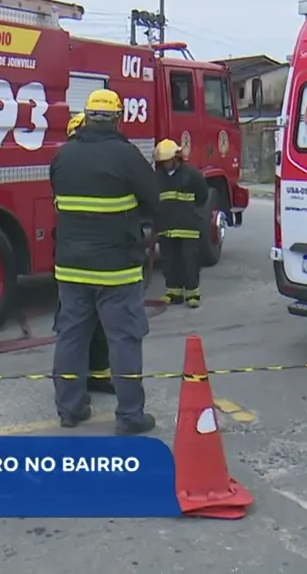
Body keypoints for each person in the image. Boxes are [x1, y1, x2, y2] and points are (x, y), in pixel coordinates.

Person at [50, 90, 160, 434]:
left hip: (70, 267)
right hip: (116, 269)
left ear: (86, 117)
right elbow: (153, 199)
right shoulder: (126, 155)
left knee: (71, 337)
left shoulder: (63, 156)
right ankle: (129, 416)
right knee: (124, 339)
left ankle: (69, 410)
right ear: (117, 119)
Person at [64, 111, 115, 395]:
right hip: (102, 261)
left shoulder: (63, 161)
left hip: (72, 263)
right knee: (92, 327)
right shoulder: (100, 160)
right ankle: (88, 381)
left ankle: (81, 386)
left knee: (77, 330)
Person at [152, 138, 209, 308]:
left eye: (168, 161)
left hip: (188, 227)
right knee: (169, 261)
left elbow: (202, 196)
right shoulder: (156, 177)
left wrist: (191, 212)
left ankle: (193, 294)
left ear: (177, 158)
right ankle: (173, 293)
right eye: (163, 162)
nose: (166, 164)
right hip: (166, 227)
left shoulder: (192, 175)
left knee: (189, 260)